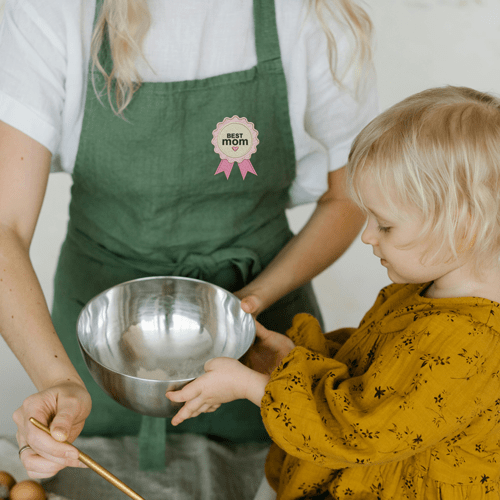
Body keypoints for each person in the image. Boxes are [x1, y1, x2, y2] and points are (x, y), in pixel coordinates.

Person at [0, 0, 378, 478]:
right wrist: (57, 379)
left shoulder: (311, 13)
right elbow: (4, 226)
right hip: (97, 357)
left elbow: (348, 198)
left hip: (262, 345)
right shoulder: (53, 10)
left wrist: (250, 303)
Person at [167, 86, 500, 499]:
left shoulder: (472, 342)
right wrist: (288, 359)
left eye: (385, 225)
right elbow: (372, 372)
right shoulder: (426, 292)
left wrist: (253, 388)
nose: (367, 237)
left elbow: (357, 432)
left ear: (463, 226)